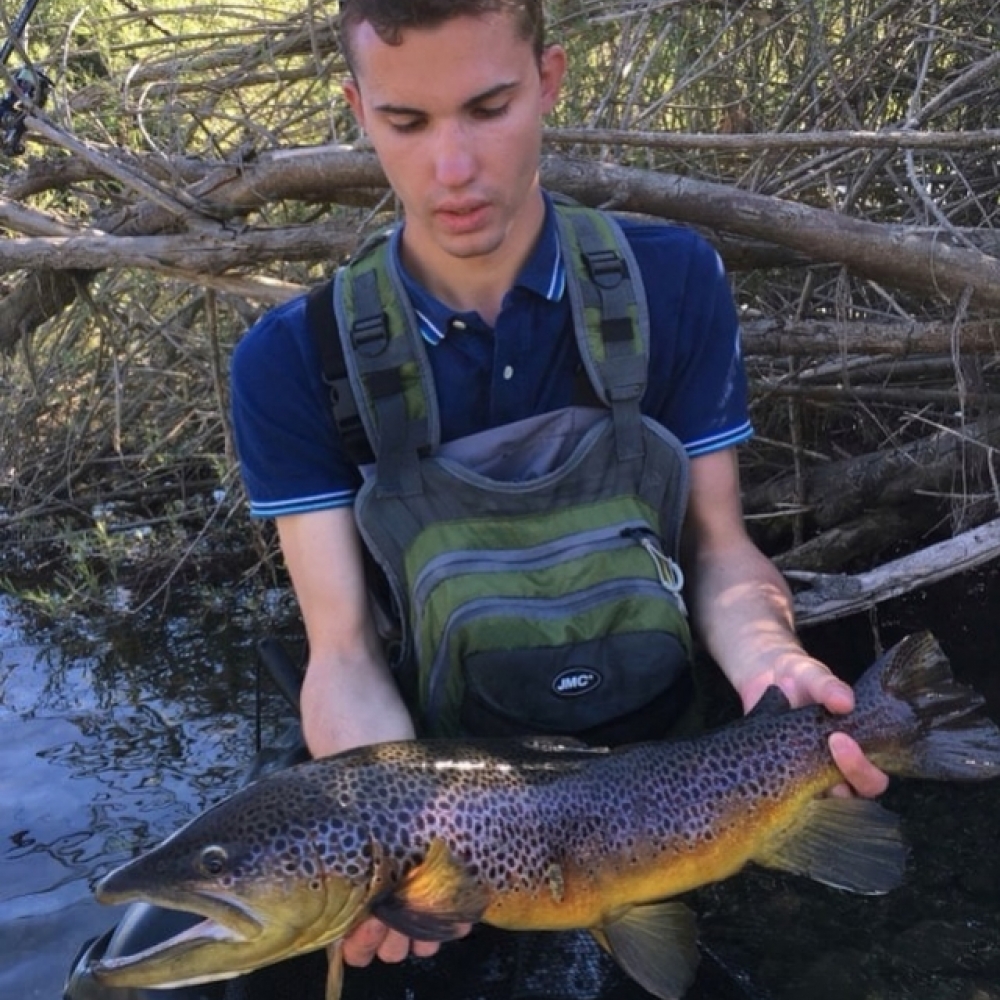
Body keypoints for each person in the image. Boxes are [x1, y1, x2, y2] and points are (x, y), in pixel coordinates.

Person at [229, 0, 888, 984]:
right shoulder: (290, 362)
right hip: (439, 764)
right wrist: (394, 851)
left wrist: (774, 668)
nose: (452, 167)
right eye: (407, 122)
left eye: (487, 107)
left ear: (549, 80)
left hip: (662, 764)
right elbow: (343, 651)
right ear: (356, 108)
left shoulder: (671, 281)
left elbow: (718, 550)